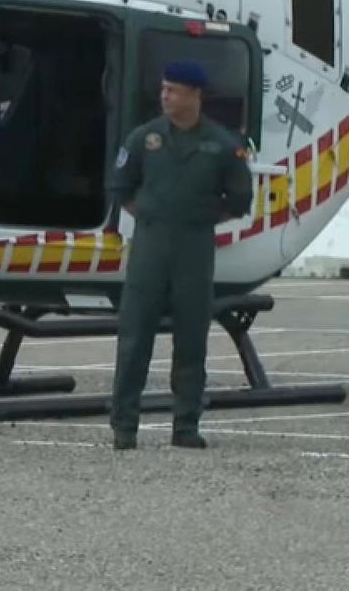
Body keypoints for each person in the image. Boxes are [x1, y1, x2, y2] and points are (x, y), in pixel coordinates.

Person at [107, 60, 254, 451]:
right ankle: (124, 426)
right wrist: (154, 215)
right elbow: (122, 186)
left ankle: (185, 425)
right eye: (163, 89)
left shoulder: (223, 145)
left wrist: (197, 219)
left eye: (173, 90)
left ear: (194, 95)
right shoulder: (145, 137)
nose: (165, 96)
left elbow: (239, 200)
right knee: (135, 338)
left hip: (194, 248)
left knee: (192, 339)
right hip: (150, 247)